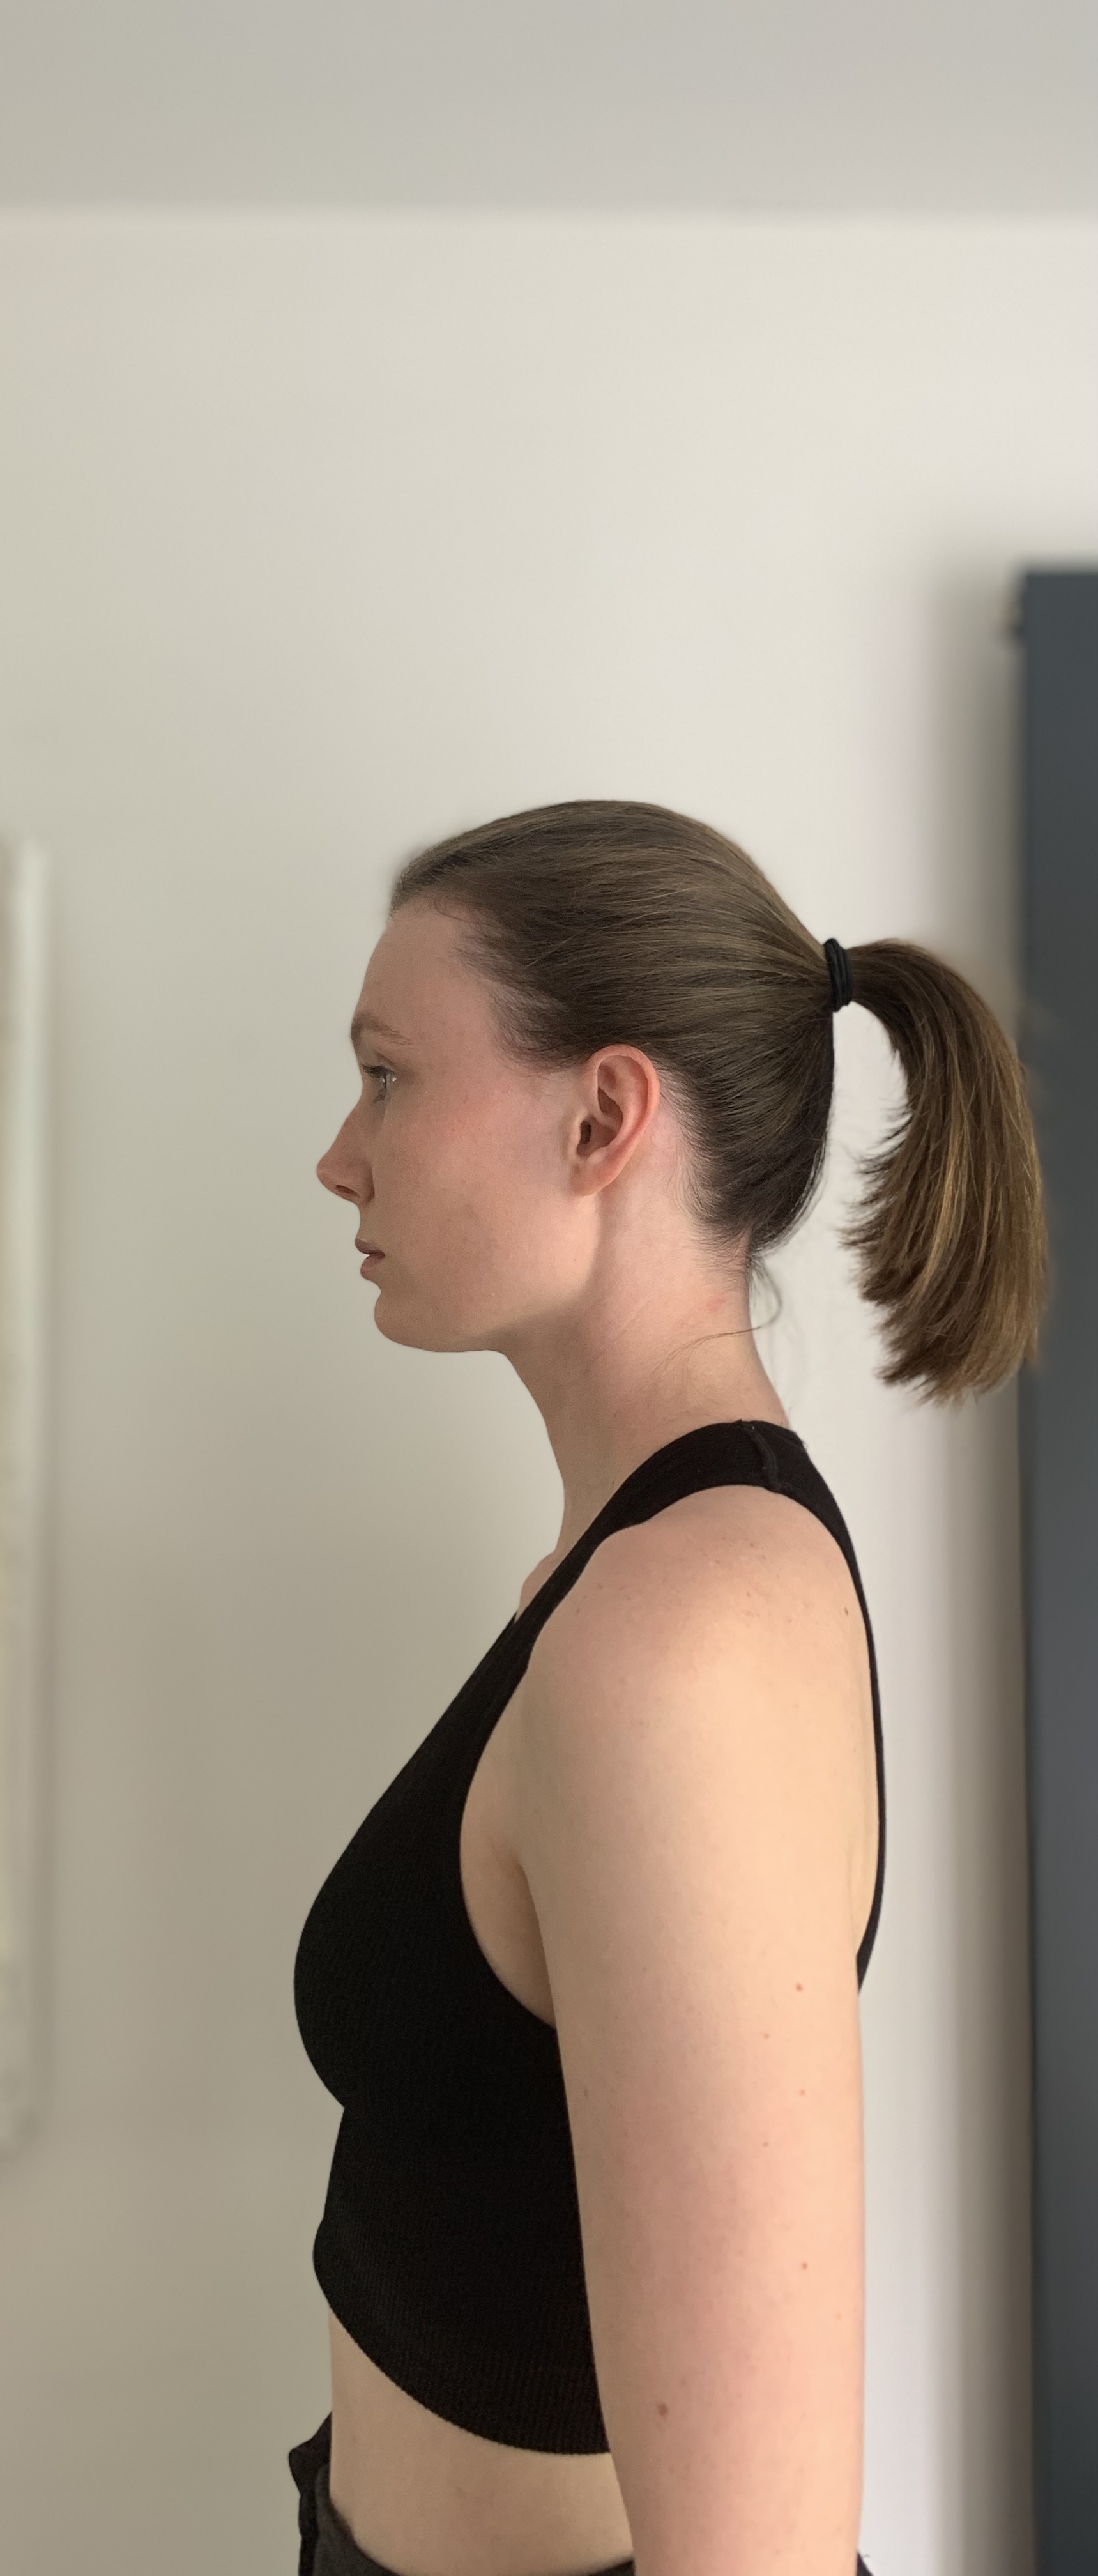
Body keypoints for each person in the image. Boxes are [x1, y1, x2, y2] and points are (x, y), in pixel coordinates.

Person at [291, 799, 1045, 2576]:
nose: (338, 1156)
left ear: (604, 1117)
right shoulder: (633, 1579)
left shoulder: (681, 1641)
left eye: (389, 1076)